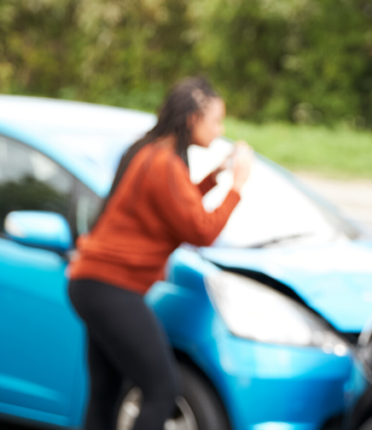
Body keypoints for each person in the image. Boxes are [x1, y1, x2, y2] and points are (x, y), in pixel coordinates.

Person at [67, 77, 253, 430]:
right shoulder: (163, 163)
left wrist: (215, 178)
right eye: (216, 121)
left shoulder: (153, 151)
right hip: (110, 288)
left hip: (93, 284)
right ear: (192, 119)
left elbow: (176, 208)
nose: (220, 129)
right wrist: (238, 185)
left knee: (107, 391)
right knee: (162, 389)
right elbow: (201, 230)